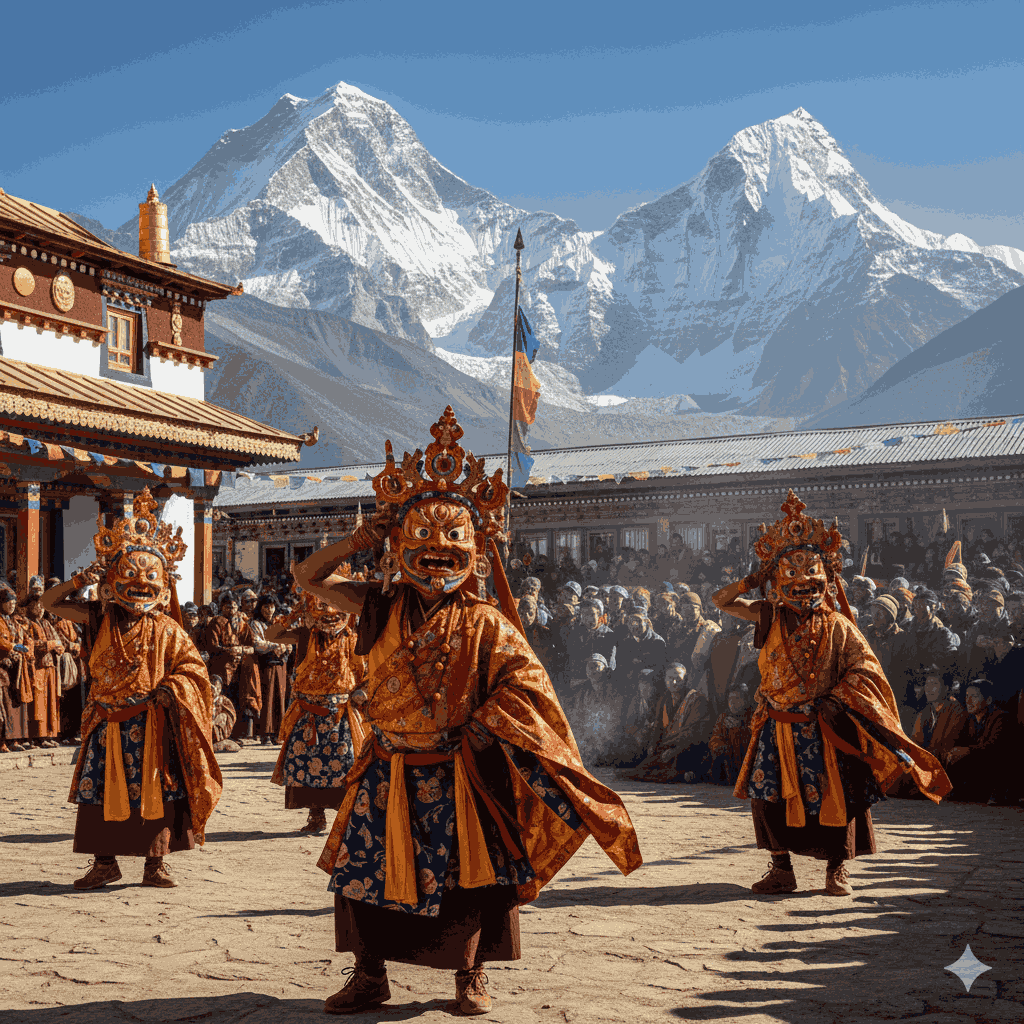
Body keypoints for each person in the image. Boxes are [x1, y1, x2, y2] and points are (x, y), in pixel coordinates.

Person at [293, 406, 641, 1015]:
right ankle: (369, 974)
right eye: (422, 537)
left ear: (476, 551)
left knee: (469, 880)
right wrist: (359, 540)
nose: (437, 550)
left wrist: (486, 724)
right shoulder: (375, 604)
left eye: (453, 538)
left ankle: (470, 977)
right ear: (400, 544)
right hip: (389, 766)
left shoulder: (486, 621)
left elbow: (527, 685)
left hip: (459, 770)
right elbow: (305, 575)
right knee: (364, 877)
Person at [712, 491, 951, 898]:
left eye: (811, 578)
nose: (803, 586)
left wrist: (839, 697)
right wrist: (754, 578)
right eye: (792, 577)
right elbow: (721, 601)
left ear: (826, 578)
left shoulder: (839, 624)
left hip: (823, 724)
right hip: (776, 724)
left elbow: (866, 668)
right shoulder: (768, 614)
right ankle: (780, 868)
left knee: (834, 797)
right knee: (768, 796)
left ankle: (836, 870)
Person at [43, 488, 222, 890]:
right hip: (107, 725)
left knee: (156, 793)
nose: (141, 584)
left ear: (163, 585)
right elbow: (51, 603)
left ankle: (155, 865)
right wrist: (78, 579)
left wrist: (172, 687)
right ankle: (104, 863)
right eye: (131, 575)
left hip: (150, 725)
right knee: (98, 794)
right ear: (112, 579)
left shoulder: (167, 628)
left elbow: (194, 669)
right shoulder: (96, 618)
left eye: (150, 578)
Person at [269, 592, 366, 834]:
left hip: (341, 716)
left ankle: (348, 821)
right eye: (324, 609)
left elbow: (366, 674)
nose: (331, 616)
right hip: (309, 715)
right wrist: (295, 612)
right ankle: (316, 817)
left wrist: (360, 693)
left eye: (337, 610)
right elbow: (271, 635)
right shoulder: (305, 635)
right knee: (306, 768)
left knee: (347, 767)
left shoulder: (354, 639)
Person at [943, 678, 1012, 804]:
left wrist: (968, 750)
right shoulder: (971, 720)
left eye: (974, 696)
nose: (968, 701)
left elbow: (993, 748)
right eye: (967, 696)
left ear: (988, 700)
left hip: (994, 769)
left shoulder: (1001, 718)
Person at [19, 575, 64, 748]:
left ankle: (49, 734)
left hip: (50, 665)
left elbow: (58, 641)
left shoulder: (46, 623)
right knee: (38, 702)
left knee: (51, 702)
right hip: (36, 666)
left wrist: (58, 647)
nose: (39, 608)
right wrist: (49, 645)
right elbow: (29, 643)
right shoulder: (27, 623)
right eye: (36, 605)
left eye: (41, 605)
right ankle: (38, 736)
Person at [207, 593, 258, 742]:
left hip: (238, 669)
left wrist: (242, 650)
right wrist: (229, 650)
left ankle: (236, 734)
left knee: (237, 700)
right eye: (228, 606)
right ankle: (220, 734)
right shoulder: (216, 622)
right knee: (221, 701)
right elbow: (212, 646)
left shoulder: (242, 623)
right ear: (222, 607)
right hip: (220, 668)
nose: (232, 609)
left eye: (234, 606)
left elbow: (252, 645)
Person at [250, 595, 291, 745]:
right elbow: (257, 643)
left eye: (272, 606)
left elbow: (288, 640)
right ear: (260, 608)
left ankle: (278, 734)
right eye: (266, 606)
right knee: (267, 698)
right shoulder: (256, 624)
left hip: (280, 663)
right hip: (266, 663)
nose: (270, 610)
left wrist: (286, 646)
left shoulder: (279, 623)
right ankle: (265, 734)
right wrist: (275, 646)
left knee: (280, 698)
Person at [0, 585, 31, 752]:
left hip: (14, 670)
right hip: (2, 669)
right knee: (3, 705)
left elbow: (25, 637)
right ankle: (2, 741)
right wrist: (12, 646)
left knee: (13, 704)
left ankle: (14, 739)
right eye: (8, 602)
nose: (12, 605)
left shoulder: (13, 620)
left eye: (13, 603)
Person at [708, 683, 753, 785]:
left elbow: (755, 739)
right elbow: (714, 739)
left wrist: (741, 728)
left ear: (746, 701)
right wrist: (721, 746)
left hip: (746, 762)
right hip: (728, 762)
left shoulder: (753, 717)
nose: (733, 702)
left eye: (737, 698)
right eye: (730, 699)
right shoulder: (723, 717)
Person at [210, 674, 240, 753]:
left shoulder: (223, 699)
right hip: (209, 722)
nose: (215, 690)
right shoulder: (205, 699)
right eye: (213, 687)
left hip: (218, 723)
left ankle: (219, 738)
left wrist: (218, 719)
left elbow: (231, 713)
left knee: (223, 716)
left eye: (218, 688)